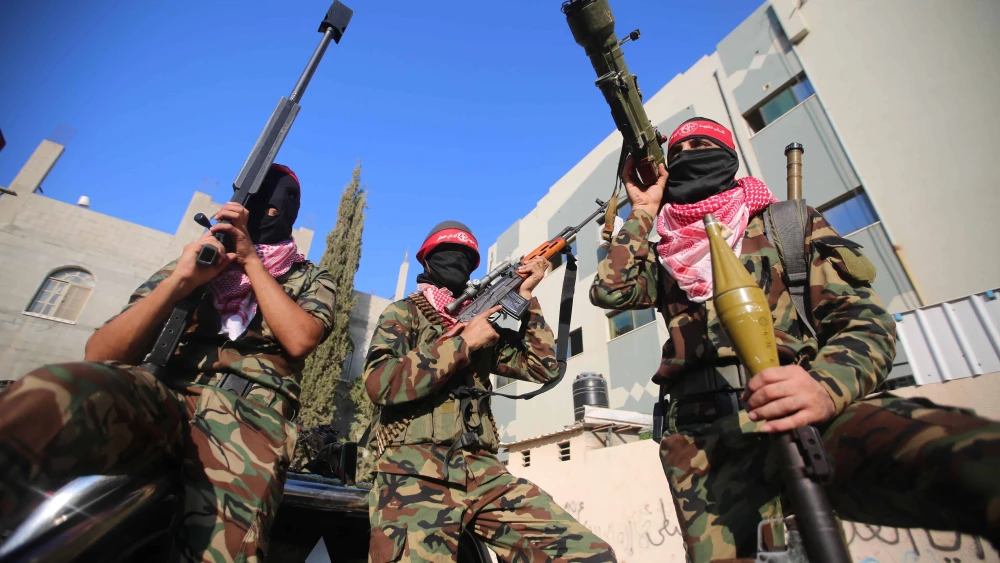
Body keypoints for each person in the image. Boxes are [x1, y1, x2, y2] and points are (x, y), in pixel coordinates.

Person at [590, 118, 1000, 561]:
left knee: (965, 457)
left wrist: (825, 386)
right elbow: (611, 289)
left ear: (728, 155)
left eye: (703, 142)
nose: (690, 149)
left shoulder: (785, 223)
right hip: (701, 443)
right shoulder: (665, 250)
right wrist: (644, 212)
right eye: (681, 147)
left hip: (806, 410)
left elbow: (864, 321)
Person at [0, 164, 336, 562]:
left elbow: (300, 340)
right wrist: (182, 280)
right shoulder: (197, 260)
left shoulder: (310, 276)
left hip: (249, 417)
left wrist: (249, 260)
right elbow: (103, 354)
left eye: (274, 201)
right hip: (163, 396)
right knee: (57, 391)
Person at [364, 221, 616, 563]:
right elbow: (380, 383)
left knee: (587, 554)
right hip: (413, 472)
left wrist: (526, 298)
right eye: (447, 253)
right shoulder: (404, 313)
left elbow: (543, 367)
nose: (457, 262)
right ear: (426, 260)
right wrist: (463, 344)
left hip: (481, 469)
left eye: (467, 258)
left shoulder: (482, 325)